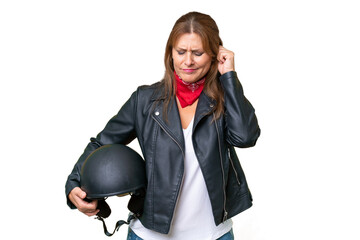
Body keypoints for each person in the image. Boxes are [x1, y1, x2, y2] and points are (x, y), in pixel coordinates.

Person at [66, 11, 260, 240]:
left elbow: (245, 137)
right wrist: (73, 184)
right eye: (180, 52)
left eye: (197, 53)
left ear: (215, 54)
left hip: (213, 235)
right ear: (170, 54)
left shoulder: (225, 99)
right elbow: (102, 143)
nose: (188, 61)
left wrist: (229, 77)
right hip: (148, 235)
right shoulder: (144, 100)